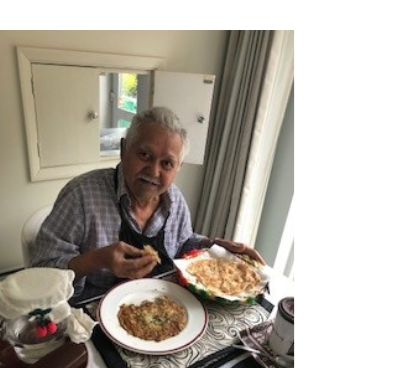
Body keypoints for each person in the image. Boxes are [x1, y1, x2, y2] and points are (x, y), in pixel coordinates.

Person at [30, 106, 264, 302]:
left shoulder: (176, 201)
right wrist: (98, 259)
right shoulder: (81, 195)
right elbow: (40, 272)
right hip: (91, 318)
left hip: (157, 308)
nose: (153, 171)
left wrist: (217, 248)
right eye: (144, 155)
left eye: (167, 163)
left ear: (178, 169)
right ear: (123, 150)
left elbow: (183, 244)